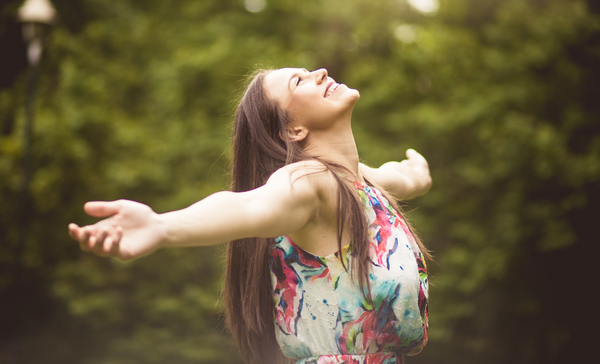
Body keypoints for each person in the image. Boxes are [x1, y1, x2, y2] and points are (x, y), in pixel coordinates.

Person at [68, 68, 432, 364]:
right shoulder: (309, 182)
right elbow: (248, 206)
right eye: (298, 81)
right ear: (293, 130)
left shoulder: (363, 182)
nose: (320, 72)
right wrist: (162, 226)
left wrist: (419, 173)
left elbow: (402, 178)